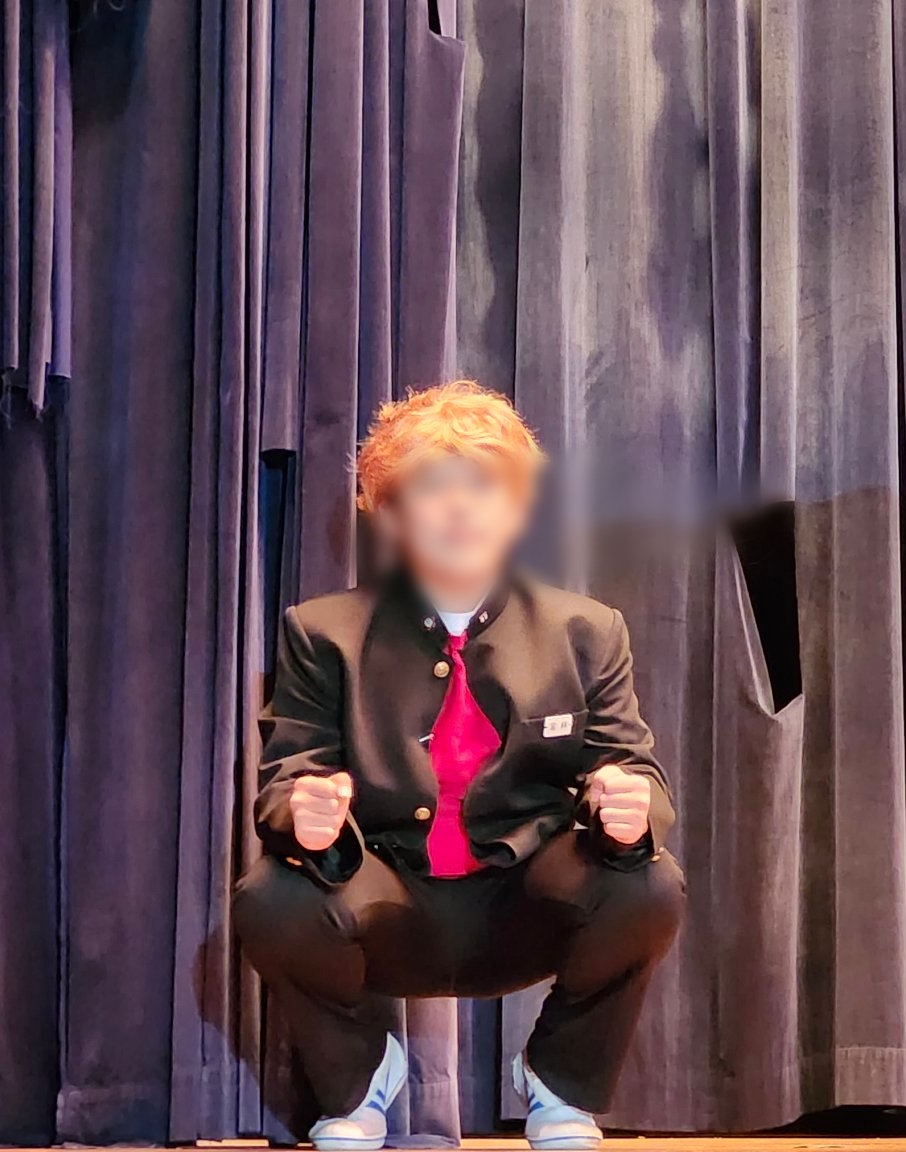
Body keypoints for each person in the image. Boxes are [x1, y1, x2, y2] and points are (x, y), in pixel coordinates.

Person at [234, 382, 683, 1152]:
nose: (460, 510)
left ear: (516, 508)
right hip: (387, 903)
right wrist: (306, 813)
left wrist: (629, 810)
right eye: (431, 489)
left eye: (484, 486)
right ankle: (359, 1081)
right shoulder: (321, 632)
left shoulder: (586, 630)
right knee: (270, 897)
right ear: (389, 514)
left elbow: (634, 768)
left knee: (650, 882)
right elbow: (285, 780)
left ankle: (560, 1084)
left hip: (524, 905)